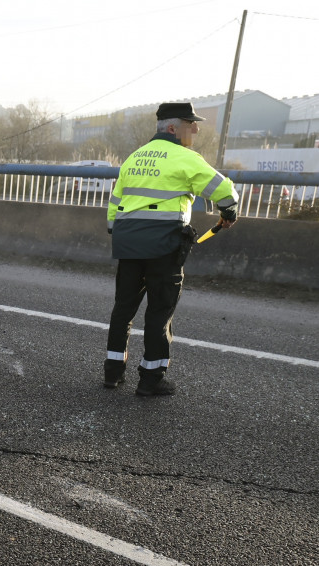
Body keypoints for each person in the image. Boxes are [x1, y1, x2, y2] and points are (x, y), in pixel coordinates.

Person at [104, 101, 239, 396]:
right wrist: (228, 213)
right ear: (172, 128)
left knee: (123, 309)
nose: (196, 128)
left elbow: (114, 205)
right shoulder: (184, 157)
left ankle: (113, 372)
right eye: (191, 124)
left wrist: (119, 231)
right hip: (163, 246)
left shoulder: (134, 158)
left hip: (128, 243)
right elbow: (224, 191)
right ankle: (151, 379)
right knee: (159, 312)